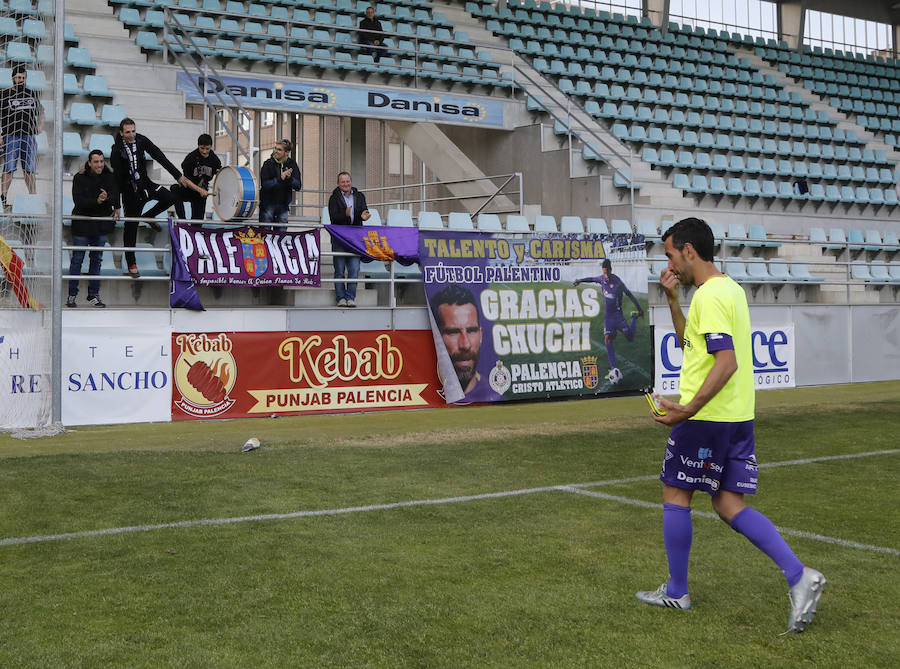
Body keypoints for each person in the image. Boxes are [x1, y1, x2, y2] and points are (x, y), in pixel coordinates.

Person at [636, 217, 825, 634]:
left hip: (707, 419)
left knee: (675, 491)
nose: (669, 265)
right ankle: (799, 575)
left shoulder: (710, 296)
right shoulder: (728, 290)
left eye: (670, 255)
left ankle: (678, 590)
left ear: (688, 250)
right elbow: (695, 347)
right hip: (737, 416)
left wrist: (685, 411)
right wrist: (672, 301)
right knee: (727, 504)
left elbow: (726, 362)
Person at [110, 117, 199, 277]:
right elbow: (115, 180)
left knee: (171, 197)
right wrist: (116, 205)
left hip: (146, 185)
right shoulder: (116, 150)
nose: (131, 135)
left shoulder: (142, 140)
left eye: (133, 131)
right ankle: (131, 265)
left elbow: (159, 156)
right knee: (131, 228)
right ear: (122, 133)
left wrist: (177, 175)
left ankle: (150, 215)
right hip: (130, 192)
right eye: (128, 132)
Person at [573, 258, 643, 383]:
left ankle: (633, 318)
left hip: (618, 316)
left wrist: (639, 309)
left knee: (630, 337)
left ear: (611, 270)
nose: (605, 274)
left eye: (607, 272)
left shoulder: (618, 282)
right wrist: (579, 280)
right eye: (604, 272)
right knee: (607, 339)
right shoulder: (601, 279)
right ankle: (614, 368)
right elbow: (591, 279)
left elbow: (629, 295)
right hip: (609, 317)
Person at [67, 150, 120, 308]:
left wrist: (113, 204)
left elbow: (115, 195)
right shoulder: (79, 177)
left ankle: (93, 295)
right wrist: (97, 201)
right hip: (82, 225)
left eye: (102, 161)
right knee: (77, 260)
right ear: (89, 163)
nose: (99, 165)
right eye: (96, 162)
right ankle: (72, 295)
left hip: (100, 226)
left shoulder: (109, 177)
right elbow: (79, 201)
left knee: (96, 260)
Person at [0, 66, 41, 210]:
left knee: (29, 169)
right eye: (18, 77)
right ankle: (3, 199)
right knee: (9, 168)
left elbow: (41, 111)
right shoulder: (4, 95)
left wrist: (40, 126)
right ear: (12, 78)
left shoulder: (30, 93)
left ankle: (33, 196)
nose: (20, 80)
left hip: (29, 136)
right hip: (11, 136)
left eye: (23, 78)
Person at [327, 171, 370, 307]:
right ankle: (341, 298)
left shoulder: (360, 196)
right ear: (338, 184)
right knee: (339, 270)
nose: (346, 184)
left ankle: (350, 297)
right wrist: (345, 215)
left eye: (347, 181)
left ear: (351, 182)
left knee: (354, 269)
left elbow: (364, 210)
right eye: (343, 182)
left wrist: (365, 215)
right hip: (339, 239)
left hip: (355, 239)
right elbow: (333, 218)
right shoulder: (333, 198)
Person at [431, 284, 483, 395]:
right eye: (453, 332)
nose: (465, 345)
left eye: (471, 331)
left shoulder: (495, 395)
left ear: (481, 335)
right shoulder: (425, 390)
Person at [172, 133, 220, 221]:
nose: (205, 151)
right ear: (198, 146)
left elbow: (220, 174)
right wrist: (200, 190)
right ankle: (182, 220)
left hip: (201, 192)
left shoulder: (214, 159)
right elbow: (186, 180)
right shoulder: (190, 159)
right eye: (202, 148)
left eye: (207, 149)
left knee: (197, 222)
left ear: (211, 147)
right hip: (189, 188)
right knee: (174, 189)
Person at [259, 138, 301, 224]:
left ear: (287, 152)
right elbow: (265, 184)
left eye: (279, 149)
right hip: (267, 206)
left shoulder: (292, 164)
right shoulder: (267, 164)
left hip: (283, 206)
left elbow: (298, 186)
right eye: (275, 148)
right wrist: (280, 178)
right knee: (266, 234)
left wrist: (289, 178)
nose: (276, 151)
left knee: (281, 235)